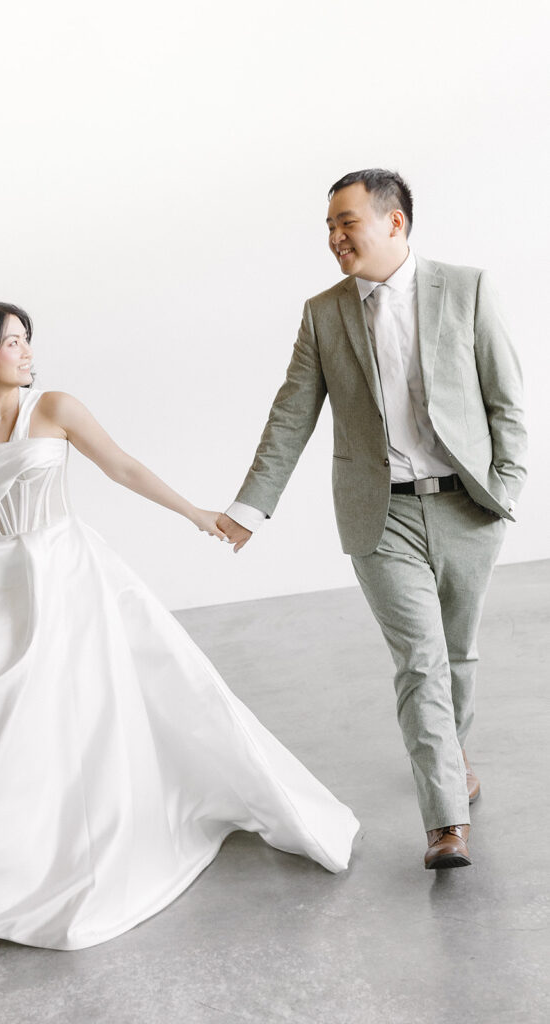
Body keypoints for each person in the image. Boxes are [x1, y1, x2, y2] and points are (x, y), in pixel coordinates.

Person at [0, 302, 358, 950]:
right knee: (3, 712)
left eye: (26, 339)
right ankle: (13, 850)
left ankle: (92, 837)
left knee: (92, 705)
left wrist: (193, 512)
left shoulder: (57, 407)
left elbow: (121, 466)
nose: (25, 350)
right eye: (11, 341)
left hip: (68, 569)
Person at [217, 169, 527, 870]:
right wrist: (249, 506)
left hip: (467, 506)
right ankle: (445, 821)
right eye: (327, 226)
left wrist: (505, 485)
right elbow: (291, 414)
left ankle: (452, 753)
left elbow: (504, 397)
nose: (333, 238)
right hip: (378, 514)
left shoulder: (466, 288)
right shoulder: (323, 313)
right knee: (418, 663)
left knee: (457, 656)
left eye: (345, 222)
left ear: (394, 223)